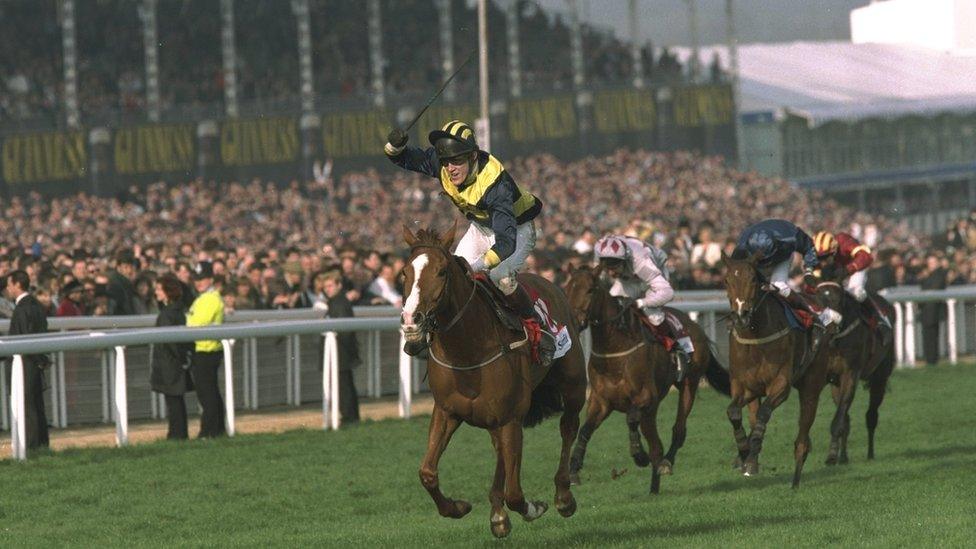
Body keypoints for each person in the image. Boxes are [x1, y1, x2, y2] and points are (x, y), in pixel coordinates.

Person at [385, 119, 554, 365]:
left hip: (516, 230)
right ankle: (429, 334)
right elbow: (405, 159)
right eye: (445, 162)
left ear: (473, 156)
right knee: (453, 273)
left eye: (456, 161)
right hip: (482, 227)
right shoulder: (445, 164)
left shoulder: (496, 184)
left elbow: (506, 243)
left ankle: (538, 329)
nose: (450, 168)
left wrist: (477, 265)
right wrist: (394, 146)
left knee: (501, 276)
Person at [594, 234, 693, 380]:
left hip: (653, 272)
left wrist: (641, 302)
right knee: (613, 306)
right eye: (606, 268)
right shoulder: (599, 249)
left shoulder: (642, 263)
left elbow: (668, 293)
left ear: (624, 260)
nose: (610, 272)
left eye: (614, 267)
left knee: (652, 313)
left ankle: (677, 350)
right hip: (628, 277)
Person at [5, 270, 50, 450]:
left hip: (24, 365)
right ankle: (42, 445)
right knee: (37, 406)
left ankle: (30, 448)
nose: (7, 288)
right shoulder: (36, 305)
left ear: (17, 284)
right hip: (34, 363)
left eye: (9, 284)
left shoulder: (22, 308)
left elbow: (21, 338)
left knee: (27, 407)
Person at [813, 231, 891, 329]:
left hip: (853, 270)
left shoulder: (843, 241)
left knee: (856, 292)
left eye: (825, 257)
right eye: (819, 258)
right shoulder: (812, 256)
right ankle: (825, 324)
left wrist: (848, 269)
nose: (822, 262)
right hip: (834, 273)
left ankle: (880, 319)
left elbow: (866, 256)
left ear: (834, 250)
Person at [150, 273, 194, 439]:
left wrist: (179, 360)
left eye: (159, 289)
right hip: (175, 362)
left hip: (170, 363)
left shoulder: (167, 314)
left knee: (174, 401)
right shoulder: (176, 310)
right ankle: (178, 433)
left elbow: (170, 343)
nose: (157, 293)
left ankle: (177, 434)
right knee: (176, 400)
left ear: (168, 292)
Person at [186, 261, 226, 437]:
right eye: (196, 279)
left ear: (210, 279)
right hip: (205, 349)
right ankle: (216, 430)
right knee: (211, 393)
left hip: (206, 350)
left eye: (202, 279)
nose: (198, 282)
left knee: (207, 394)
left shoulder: (209, 299)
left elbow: (194, 324)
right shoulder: (205, 297)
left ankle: (208, 432)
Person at [322, 270, 361, 423]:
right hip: (341, 350)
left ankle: (348, 417)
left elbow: (344, 330)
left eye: (330, 286)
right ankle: (351, 417)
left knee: (343, 386)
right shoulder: (339, 301)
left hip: (340, 351)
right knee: (345, 385)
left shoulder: (339, 302)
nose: (327, 289)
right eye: (325, 287)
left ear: (339, 285)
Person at [918, 254, 947, 365]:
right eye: (929, 263)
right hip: (928, 311)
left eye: (933, 263)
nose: (931, 265)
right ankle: (930, 359)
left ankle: (931, 360)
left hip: (932, 310)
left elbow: (934, 288)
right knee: (929, 336)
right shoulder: (933, 275)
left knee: (931, 336)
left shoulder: (938, 275)